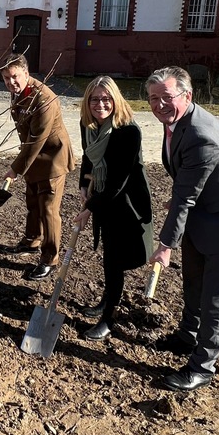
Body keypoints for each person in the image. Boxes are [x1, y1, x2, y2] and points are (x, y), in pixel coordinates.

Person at [146, 66, 219, 392]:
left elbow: (186, 196)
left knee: (215, 299)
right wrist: (179, 200)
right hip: (203, 212)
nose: (159, 105)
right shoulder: (176, 122)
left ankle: (203, 366)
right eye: (153, 98)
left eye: (166, 97)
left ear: (187, 95)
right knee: (193, 282)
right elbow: (185, 179)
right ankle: (187, 335)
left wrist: (165, 246)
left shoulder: (201, 135)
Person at [74, 76, 154, 340]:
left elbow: (119, 180)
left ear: (116, 100)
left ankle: (109, 318)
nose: (100, 104)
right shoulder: (88, 126)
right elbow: (88, 158)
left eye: (106, 99)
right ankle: (105, 301)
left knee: (115, 261)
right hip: (102, 196)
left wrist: (89, 209)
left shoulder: (128, 131)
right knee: (108, 254)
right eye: (95, 99)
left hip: (126, 204)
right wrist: (83, 186)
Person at [1, 55, 75, 279]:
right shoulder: (19, 94)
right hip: (34, 157)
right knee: (33, 201)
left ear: (26, 73)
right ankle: (32, 240)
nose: (11, 82)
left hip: (52, 158)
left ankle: (49, 259)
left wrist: (15, 169)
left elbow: (36, 140)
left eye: (15, 76)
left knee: (48, 210)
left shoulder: (43, 100)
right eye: (6, 78)